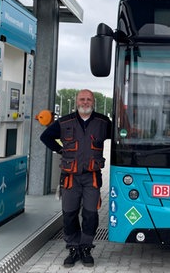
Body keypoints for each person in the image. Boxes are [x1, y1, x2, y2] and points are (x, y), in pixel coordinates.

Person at [40, 89, 111, 268]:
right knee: (69, 214)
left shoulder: (103, 122)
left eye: (88, 99)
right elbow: (45, 137)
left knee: (90, 214)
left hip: (92, 177)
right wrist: (60, 150)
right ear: (76, 101)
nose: (85, 102)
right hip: (70, 178)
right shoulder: (64, 122)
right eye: (82, 99)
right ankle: (73, 248)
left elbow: (119, 137)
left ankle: (86, 248)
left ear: (93, 102)